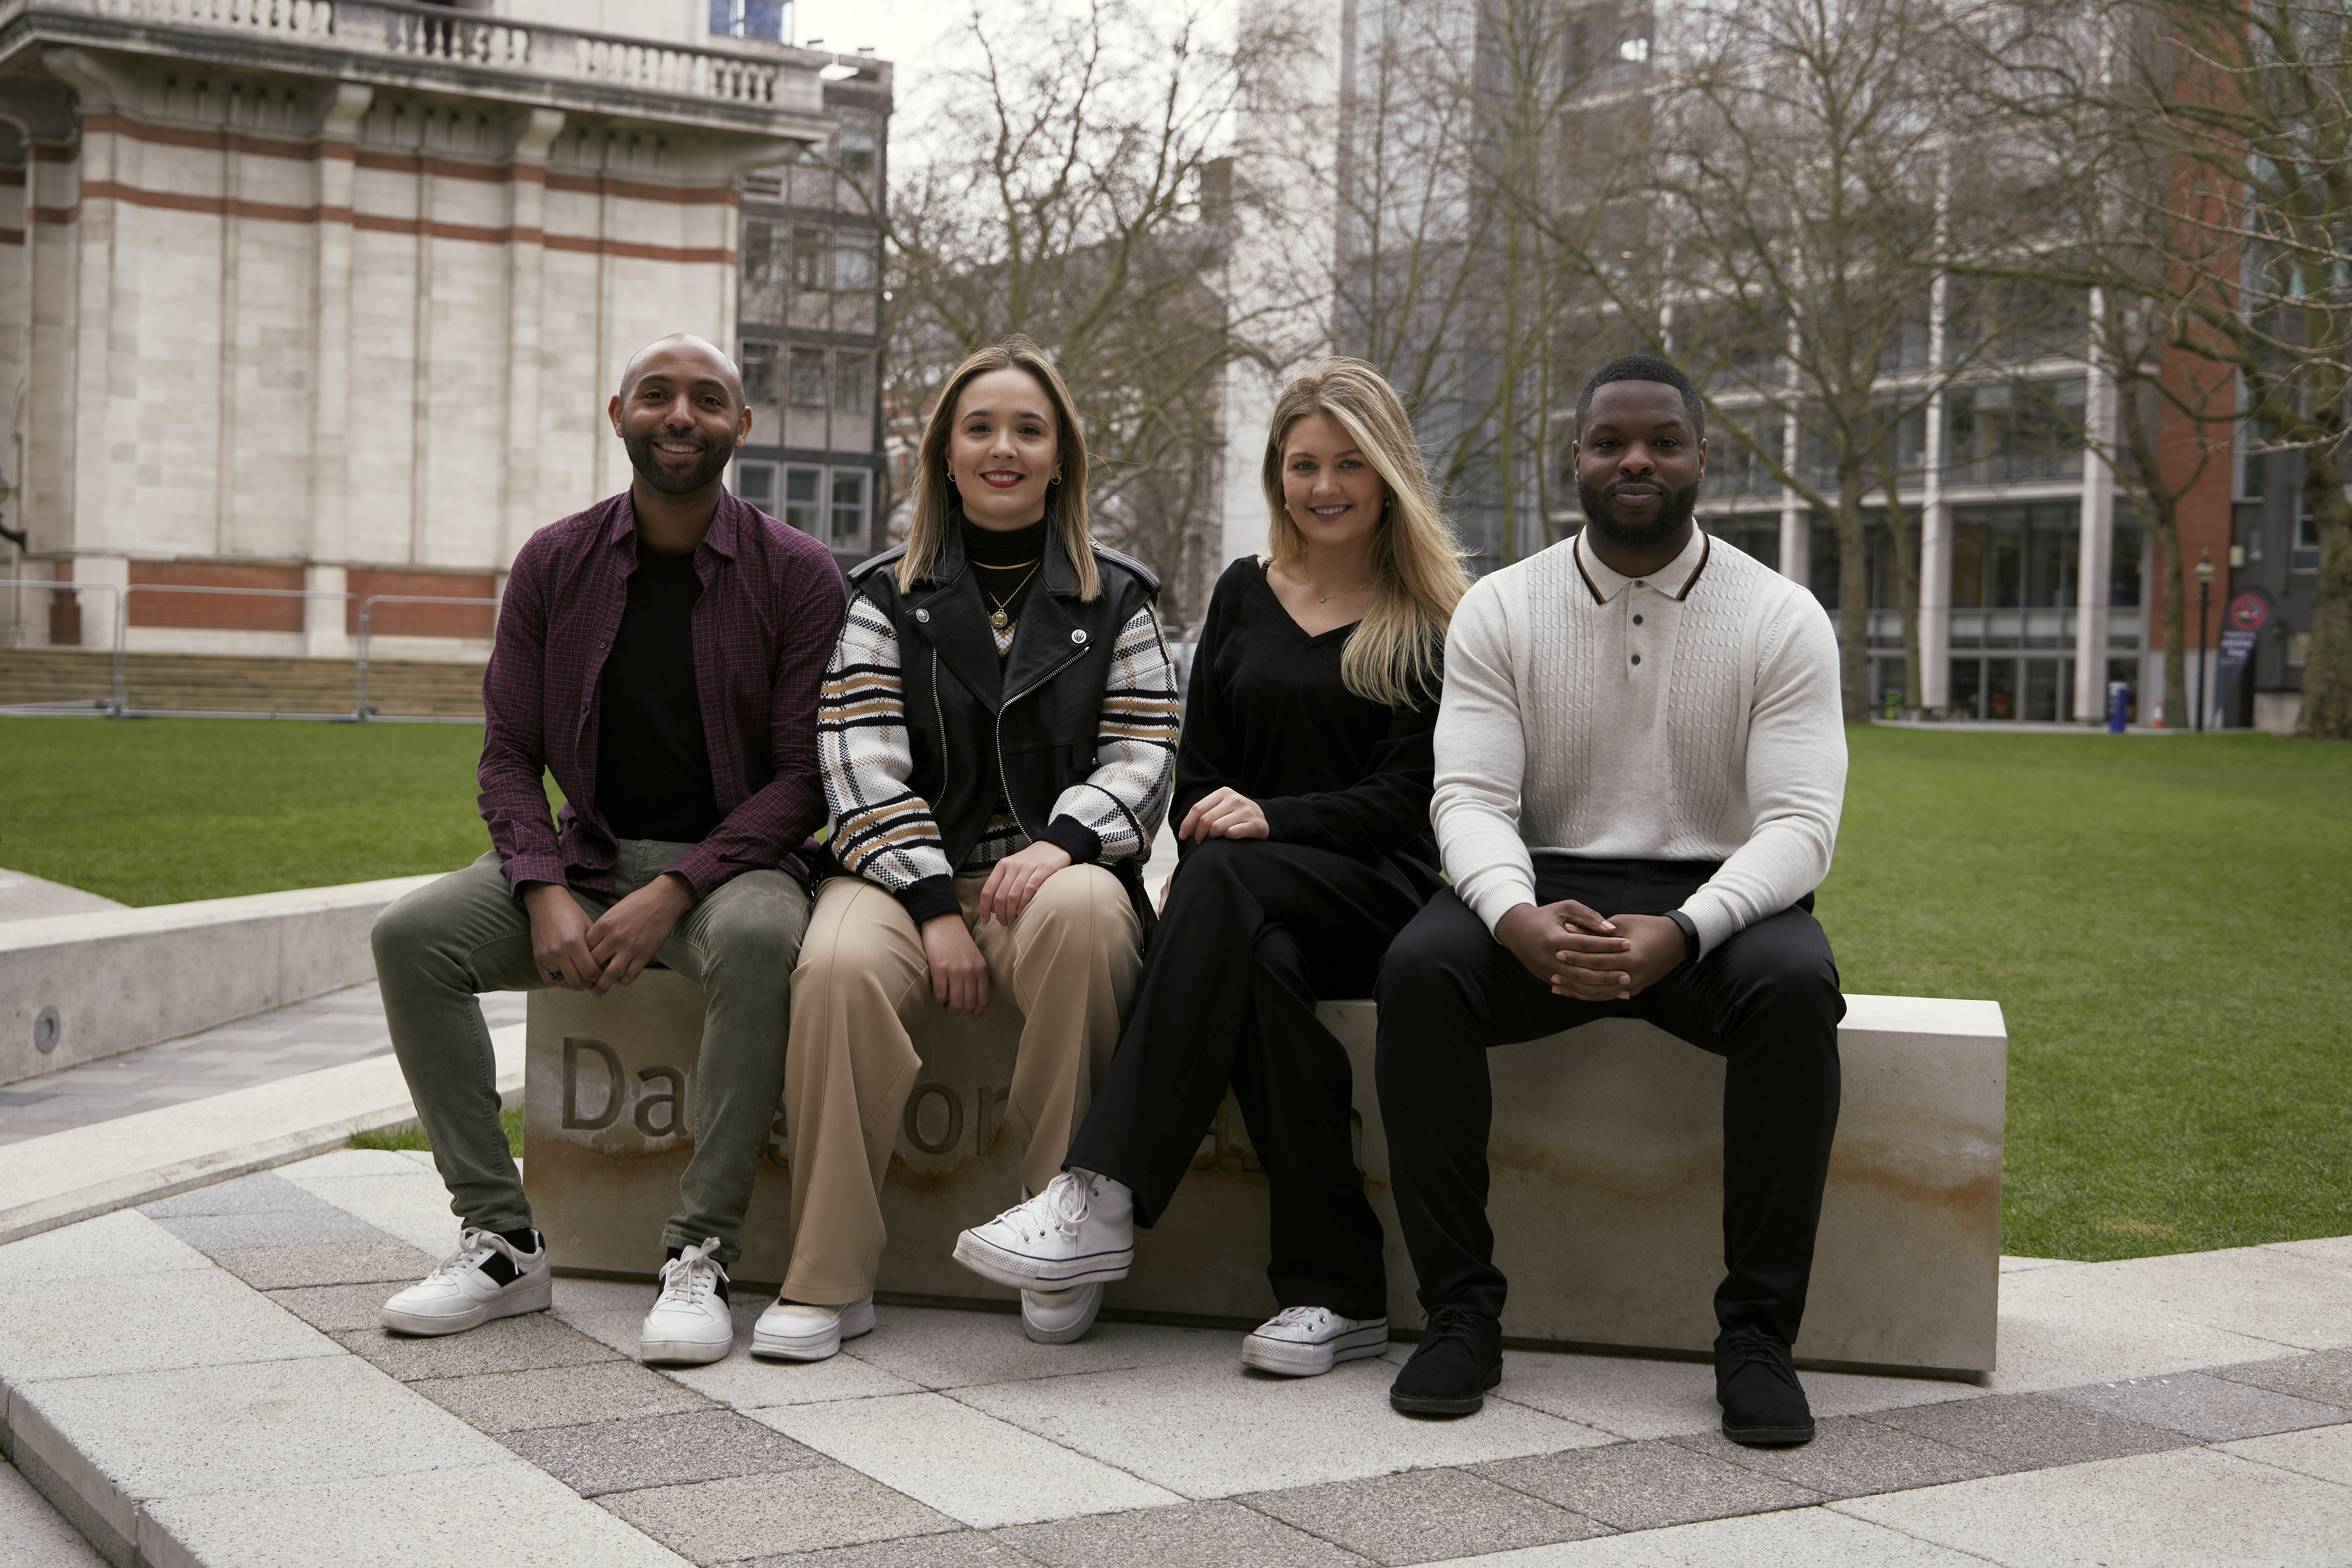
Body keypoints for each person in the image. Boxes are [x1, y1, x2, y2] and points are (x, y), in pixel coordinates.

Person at [953, 360, 1469, 1377]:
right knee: (1256, 963)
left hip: (1379, 895)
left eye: (1349, 464)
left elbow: (1412, 798)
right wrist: (1235, 818)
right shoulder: (1245, 590)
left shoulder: (1439, 617)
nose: (1324, 485)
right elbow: (1199, 771)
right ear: (1279, 474)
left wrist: (1274, 818)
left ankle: (1096, 1192)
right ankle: (1337, 1296)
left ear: (1391, 473)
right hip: (1254, 902)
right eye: (1303, 463)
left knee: (1220, 883)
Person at [1376, 355, 1846, 1442]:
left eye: (1664, 442)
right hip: (1544, 882)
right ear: (1575, 459)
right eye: (1610, 442)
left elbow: (1800, 832)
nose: (1637, 459)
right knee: (1420, 968)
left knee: (1795, 989)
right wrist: (1514, 916)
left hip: (1718, 899)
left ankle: (1758, 1340)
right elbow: (1471, 800)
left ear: (1700, 461)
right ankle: (1461, 1315)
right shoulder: (1500, 608)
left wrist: (1686, 932)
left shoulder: (1783, 617)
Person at [370, 333, 846, 1367]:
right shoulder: (554, 561)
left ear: (742, 427)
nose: (682, 416)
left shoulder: (801, 575)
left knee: (765, 943)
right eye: (660, 396)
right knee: (413, 938)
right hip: (586, 860)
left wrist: (675, 888)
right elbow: (507, 755)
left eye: (708, 400)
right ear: (617, 411)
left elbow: (804, 781)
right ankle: (502, 1244)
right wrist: (542, 888)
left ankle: (702, 1253)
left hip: (733, 872)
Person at [760, 335, 1180, 1360]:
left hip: (1053, 873)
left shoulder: (1116, 598)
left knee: (1087, 918)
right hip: (907, 874)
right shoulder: (881, 599)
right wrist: (936, 906)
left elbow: (1147, 746)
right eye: (979, 429)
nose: (1004, 448)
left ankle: (1063, 1235)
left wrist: (1067, 840)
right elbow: (857, 765)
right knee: (837, 966)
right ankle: (828, 1276)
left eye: (1028, 430)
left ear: (1062, 457)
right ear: (944, 456)